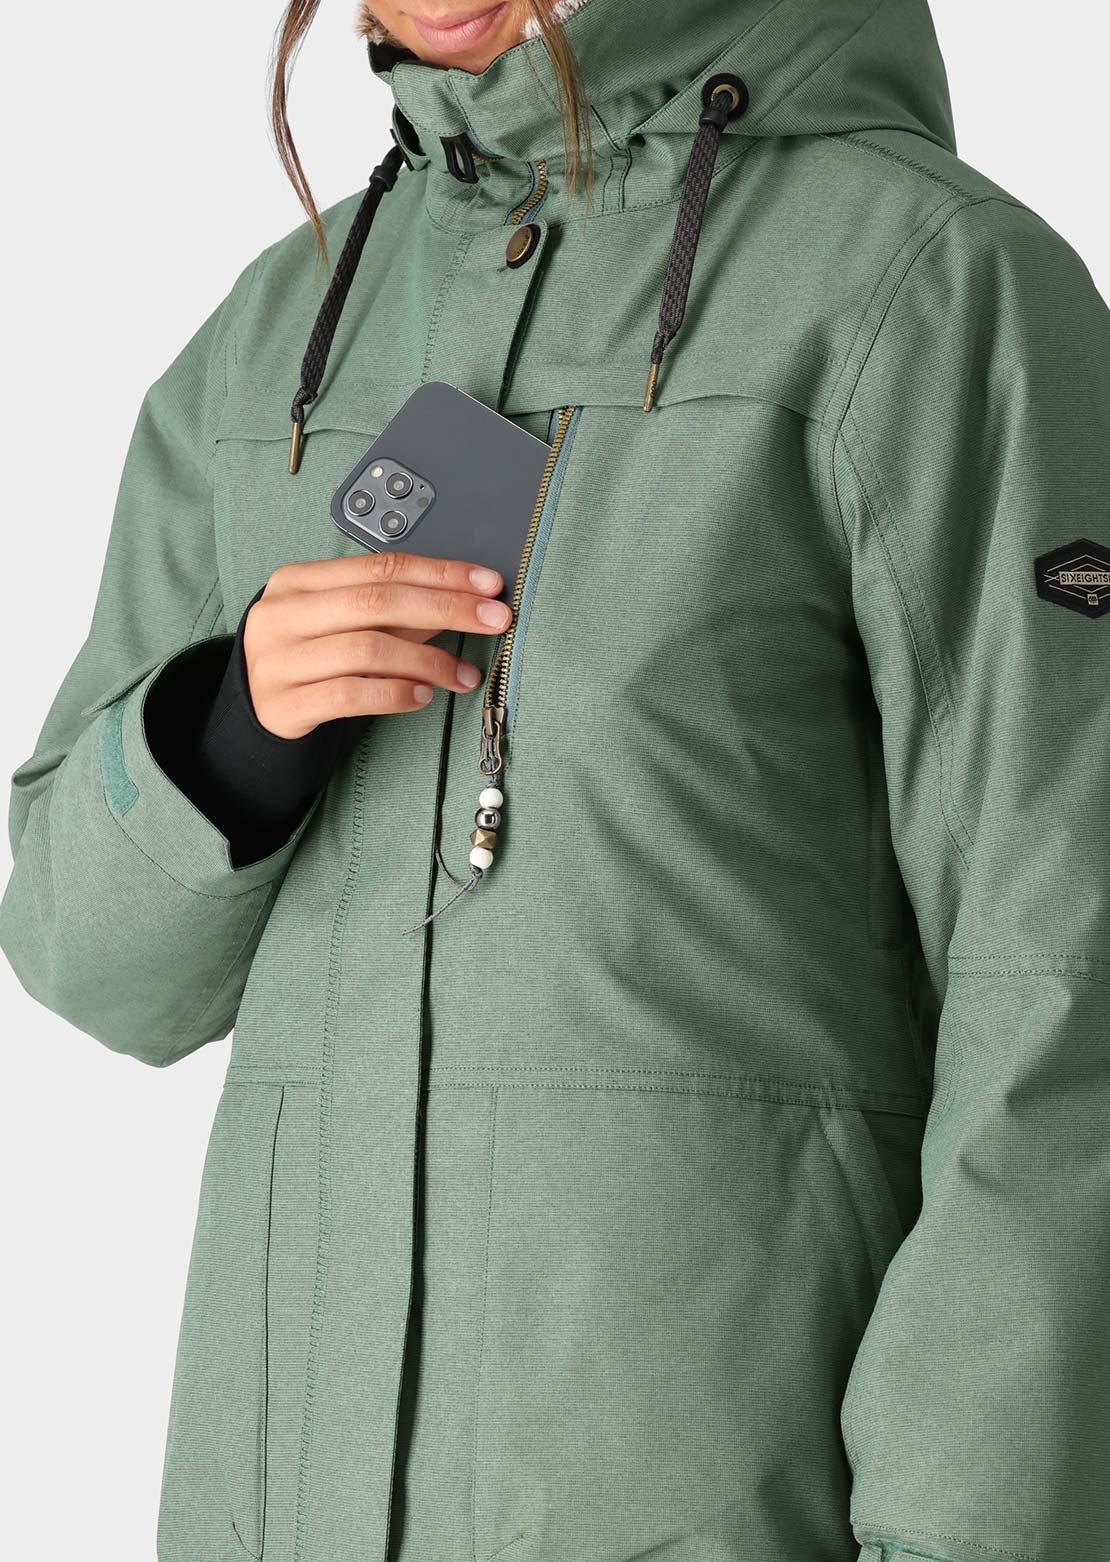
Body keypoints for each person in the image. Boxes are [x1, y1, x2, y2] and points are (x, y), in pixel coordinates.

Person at [2, 1, 1108, 1558]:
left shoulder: (919, 282)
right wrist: (231, 733)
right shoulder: (275, 339)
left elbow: (1062, 977)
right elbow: (86, 962)